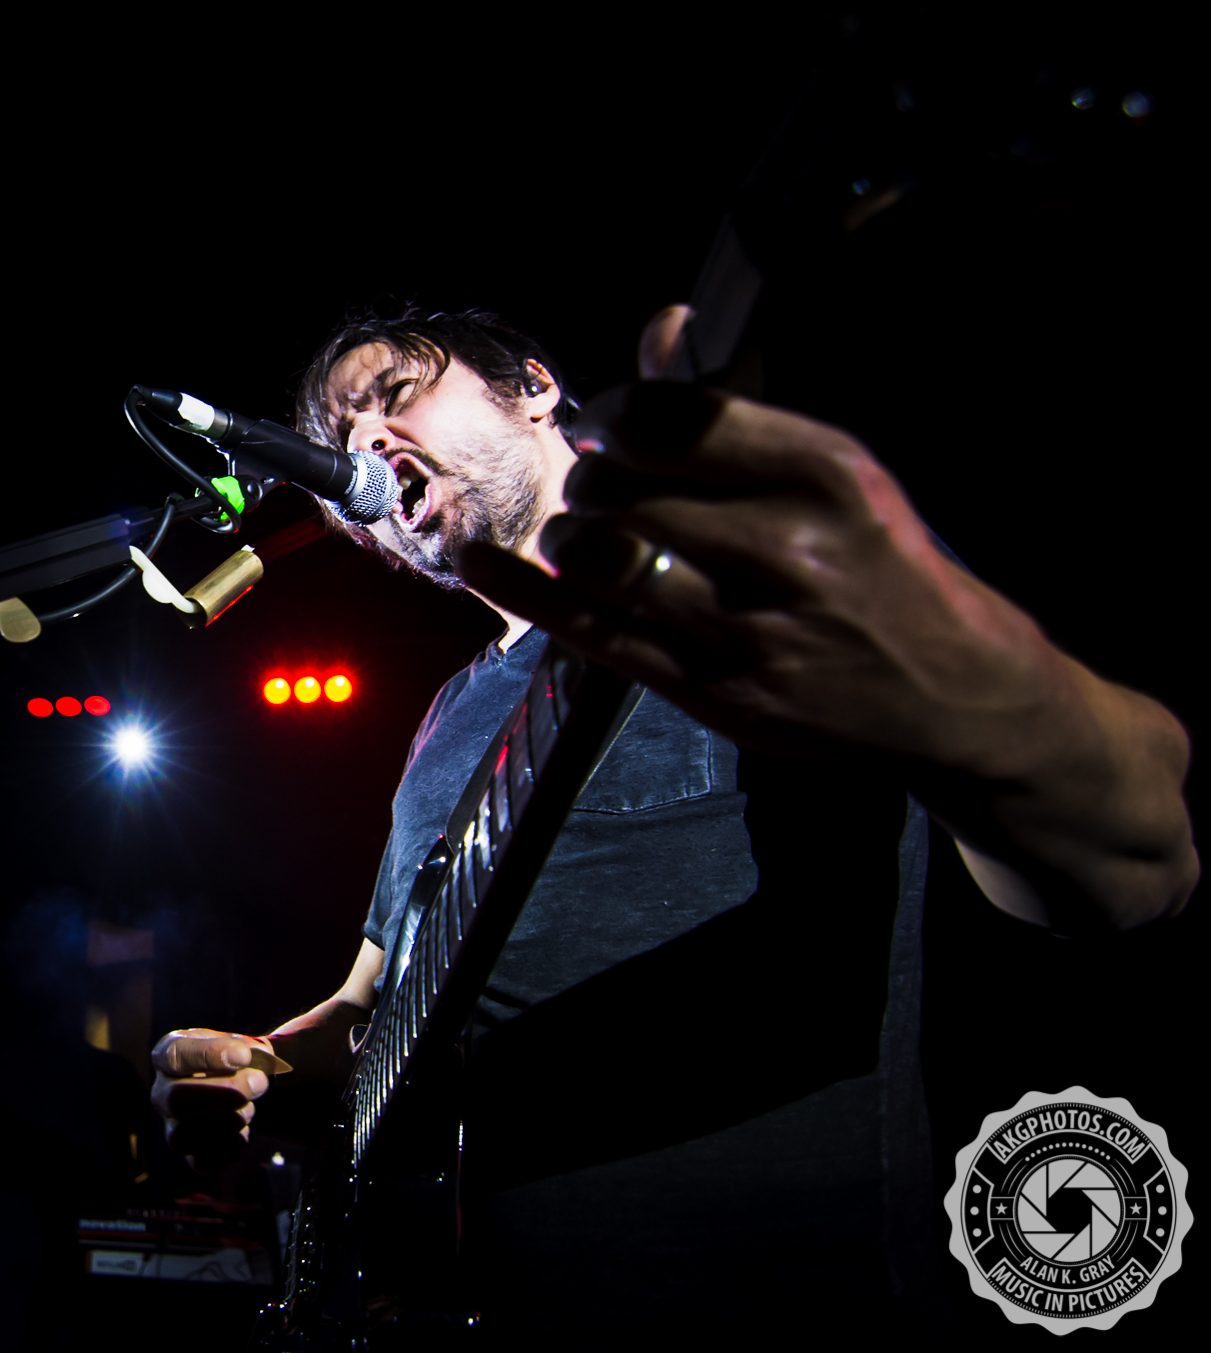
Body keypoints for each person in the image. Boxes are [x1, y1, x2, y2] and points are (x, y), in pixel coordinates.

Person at [149, 307, 1197, 1335]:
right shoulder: (441, 721)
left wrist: (981, 733)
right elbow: (371, 1006)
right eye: (337, 444)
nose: (364, 446)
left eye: (395, 395)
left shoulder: (734, 572)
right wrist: (260, 1067)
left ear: (531, 388)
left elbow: (1135, 862)